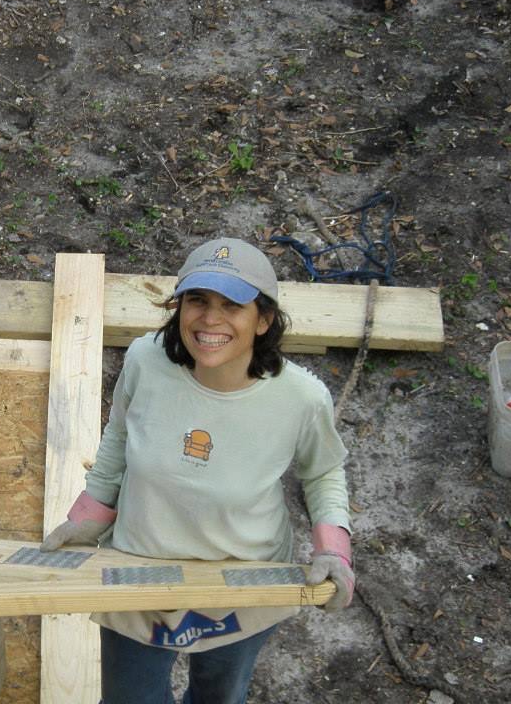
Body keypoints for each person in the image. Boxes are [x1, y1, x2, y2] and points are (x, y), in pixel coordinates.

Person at [41, 237, 354, 704]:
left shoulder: (301, 399)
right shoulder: (146, 360)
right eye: (198, 301)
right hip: (140, 570)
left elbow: (324, 473)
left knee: (219, 696)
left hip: (244, 580)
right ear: (179, 306)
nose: (210, 320)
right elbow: (119, 440)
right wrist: (89, 516)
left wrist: (334, 551)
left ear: (263, 320)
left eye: (232, 305)